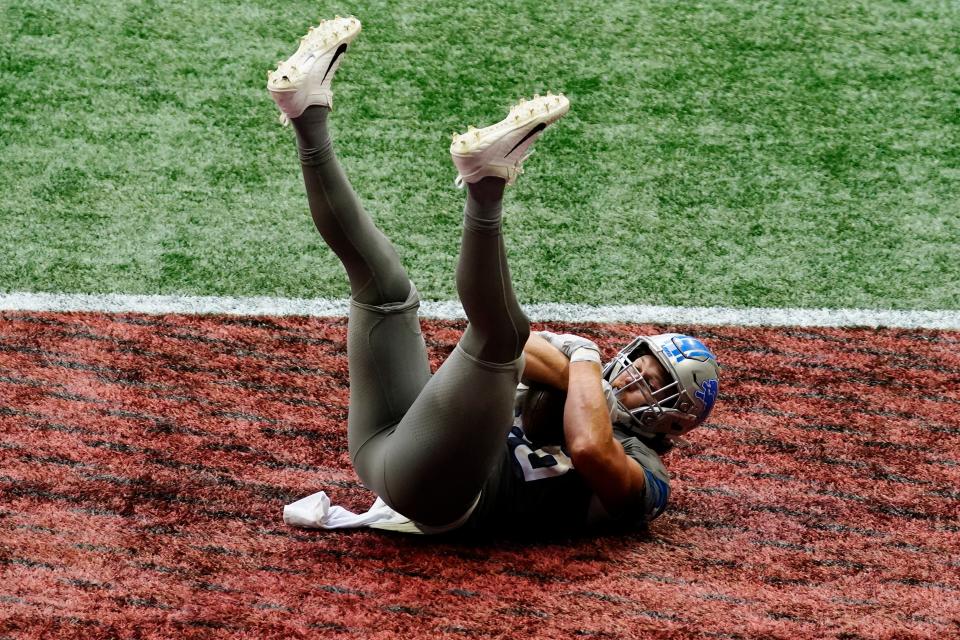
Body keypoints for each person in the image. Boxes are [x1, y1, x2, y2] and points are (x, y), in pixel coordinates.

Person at [270, 16, 720, 537]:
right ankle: (309, 115)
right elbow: (525, 350)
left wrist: (587, 358)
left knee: (499, 334)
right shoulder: (583, 387)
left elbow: (591, 448)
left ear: (675, 421)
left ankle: (486, 189)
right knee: (386, 289)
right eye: (637, 365)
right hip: (393, 440)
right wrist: (582, 371)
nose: (631, 380)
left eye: (654, 386)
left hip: (439, 497)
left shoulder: (649, 471)